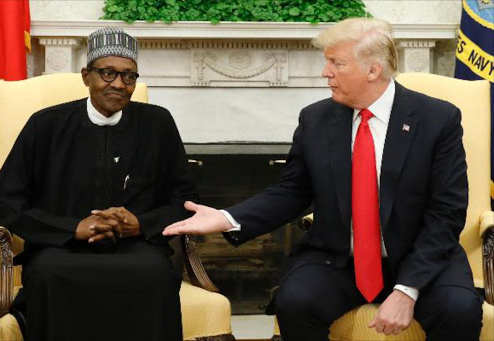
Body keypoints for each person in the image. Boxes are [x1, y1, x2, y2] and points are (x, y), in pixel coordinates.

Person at [163, 18, 483, 341]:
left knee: (459, 309)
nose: (325, 72)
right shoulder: (316, 119)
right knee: (295, 302)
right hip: (339, 259)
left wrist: (406, 289)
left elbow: (447, 213)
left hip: (421, 256)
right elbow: (291, 192)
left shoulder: (438, 120)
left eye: (336, 63)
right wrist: (226, 218)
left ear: (372, 70)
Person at [0, 27, 197, 341]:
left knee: (156, 274)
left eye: (129, 76)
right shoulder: (46, 125)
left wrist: (140, 223)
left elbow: (185, 198)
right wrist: (72, 228)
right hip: (59, 249)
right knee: (49, 274)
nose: (118, 84)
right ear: (86, 76)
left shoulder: (157, 123)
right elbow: (2, 203)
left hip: (136, 248)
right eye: (108, 73)